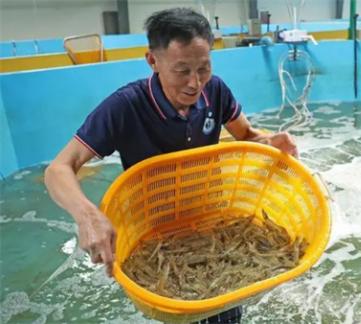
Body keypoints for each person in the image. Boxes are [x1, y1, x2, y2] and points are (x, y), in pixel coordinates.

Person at [44, 8, 297, 324]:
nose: (195, 83)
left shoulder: (215, 90)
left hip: (213, 222)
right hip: (156, 233)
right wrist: (87, 215)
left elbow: (246, 135)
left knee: (227, 311)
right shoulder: (125, 106)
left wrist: (272, 141)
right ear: (153, 61)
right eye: (182, 71)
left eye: (203, 68)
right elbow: (58, 169)